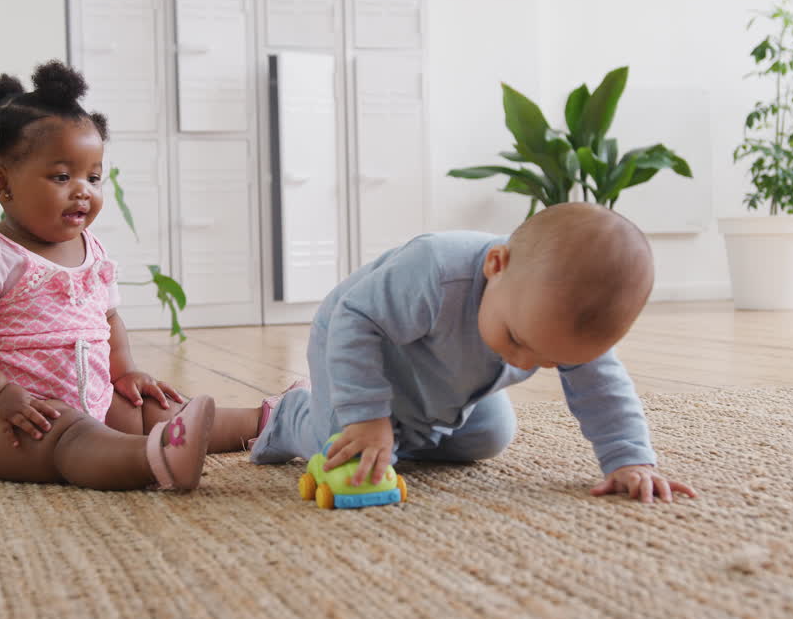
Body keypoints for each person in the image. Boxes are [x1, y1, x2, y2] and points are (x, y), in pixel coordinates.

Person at [0, 61, 262, 490]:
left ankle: (270, 421)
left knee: (152, 407)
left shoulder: (93, 250)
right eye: (62, 176)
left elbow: (108, 321)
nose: (83, 189)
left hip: (91, 396)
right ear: (2, 183)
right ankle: (156, 457)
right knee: (69, 435)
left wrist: (125, 373)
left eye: (93, 176)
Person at [250, 202, 697, 504]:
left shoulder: (554, 318)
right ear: (495, 266)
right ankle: (291, 415)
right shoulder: (435, 270)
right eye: (519, 341)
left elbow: (603, 388)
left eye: (551, 361)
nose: (524, 364)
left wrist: (629, 458)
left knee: (490, 435)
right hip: (358, 342)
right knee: (345, 444)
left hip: (445, 372)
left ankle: (403, 430)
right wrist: (367, 418)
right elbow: (355, 319)